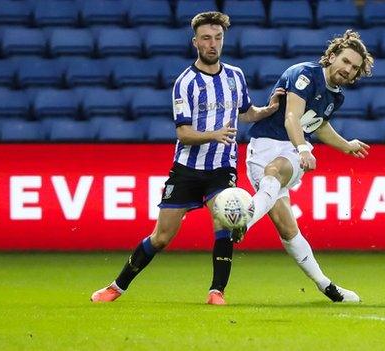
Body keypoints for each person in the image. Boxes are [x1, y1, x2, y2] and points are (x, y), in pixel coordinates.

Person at [90, 12, 284, 305]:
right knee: (162, 237)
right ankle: (117, 286)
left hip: (222, 168)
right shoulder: (186, 82)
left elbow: (245, 113)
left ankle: (216, 292)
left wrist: (266, 111)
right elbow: (183, 133)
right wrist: (213, 134)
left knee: (226, 223)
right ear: (195, 42)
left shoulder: (235, 76)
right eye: (206, 38)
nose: (213, 44)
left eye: (218, 38)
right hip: (187, 169)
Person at [243, 30, 373, 302]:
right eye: (346, 61)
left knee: (275, 171)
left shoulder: (336, 97)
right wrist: (304, 148)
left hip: (289, 151)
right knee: (288, 229)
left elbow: (318, 125)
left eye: (354, 68)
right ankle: (326, 285)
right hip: (263, 146)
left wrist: (345, 144)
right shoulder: (304, 73)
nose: (348, 69)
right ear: (333, 55)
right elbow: (293, 117)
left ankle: (244, 220)